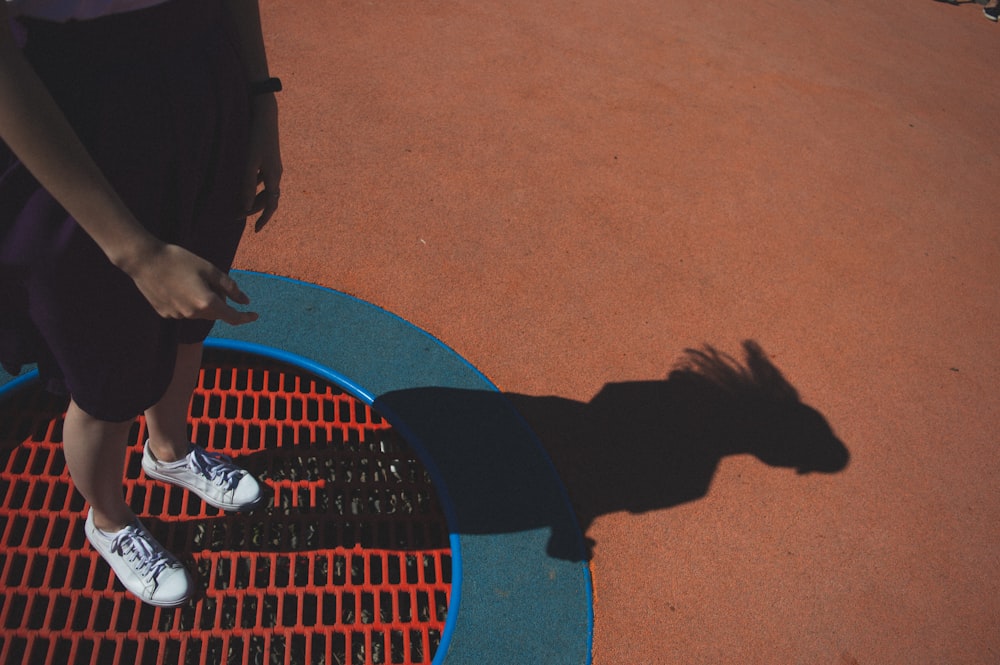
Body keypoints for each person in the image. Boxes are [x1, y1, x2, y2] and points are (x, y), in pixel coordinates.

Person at [0, 0, 282, 606]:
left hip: (205, 78)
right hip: (69, 114)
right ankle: (108, 520)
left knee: (191, 316)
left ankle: (170, 452)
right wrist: (137, 254)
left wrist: (261, 97)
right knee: (105, 365)